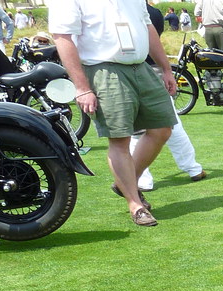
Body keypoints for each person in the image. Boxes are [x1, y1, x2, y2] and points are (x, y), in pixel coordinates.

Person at [49, 0, 177, 227]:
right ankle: (135, 205)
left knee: (162, 129)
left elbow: (147, 27)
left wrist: (166, 68)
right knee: (120, 139)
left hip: (141, 67)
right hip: (103, 69)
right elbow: (63, 37)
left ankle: (124, 182)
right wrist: (81, 87)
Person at [132, 0, 205, 192]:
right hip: (155, 70)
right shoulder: (155, 14)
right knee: (171, 122)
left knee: (136, 131)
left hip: (136, 71)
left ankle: (142, 179)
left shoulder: (129, 11)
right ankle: (193, 168)